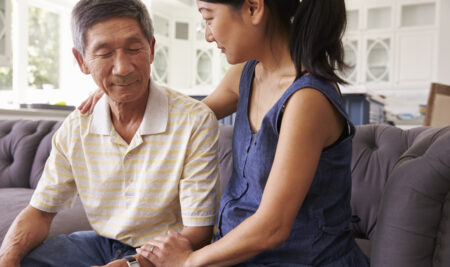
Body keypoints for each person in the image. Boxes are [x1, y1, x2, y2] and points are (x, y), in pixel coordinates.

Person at [79, 0, 370, 266]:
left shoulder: (307, 99)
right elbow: (182, 120)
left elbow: (273, 227)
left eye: (208, 18)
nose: (208, 35)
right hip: (234, 255)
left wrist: (187, 262)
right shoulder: (247, 73)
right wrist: (120, 91)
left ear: (253, 8)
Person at [0, 0, 220, 266]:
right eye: (104, 54)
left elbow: (198, 234)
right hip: (99, 244)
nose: (123, 68)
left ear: (151, 49)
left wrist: (131, 264)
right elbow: (40, 212)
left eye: (134, 48)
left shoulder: (194, 122)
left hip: (166, 254)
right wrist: (8, 258)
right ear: (82, 61)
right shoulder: (75, 129)